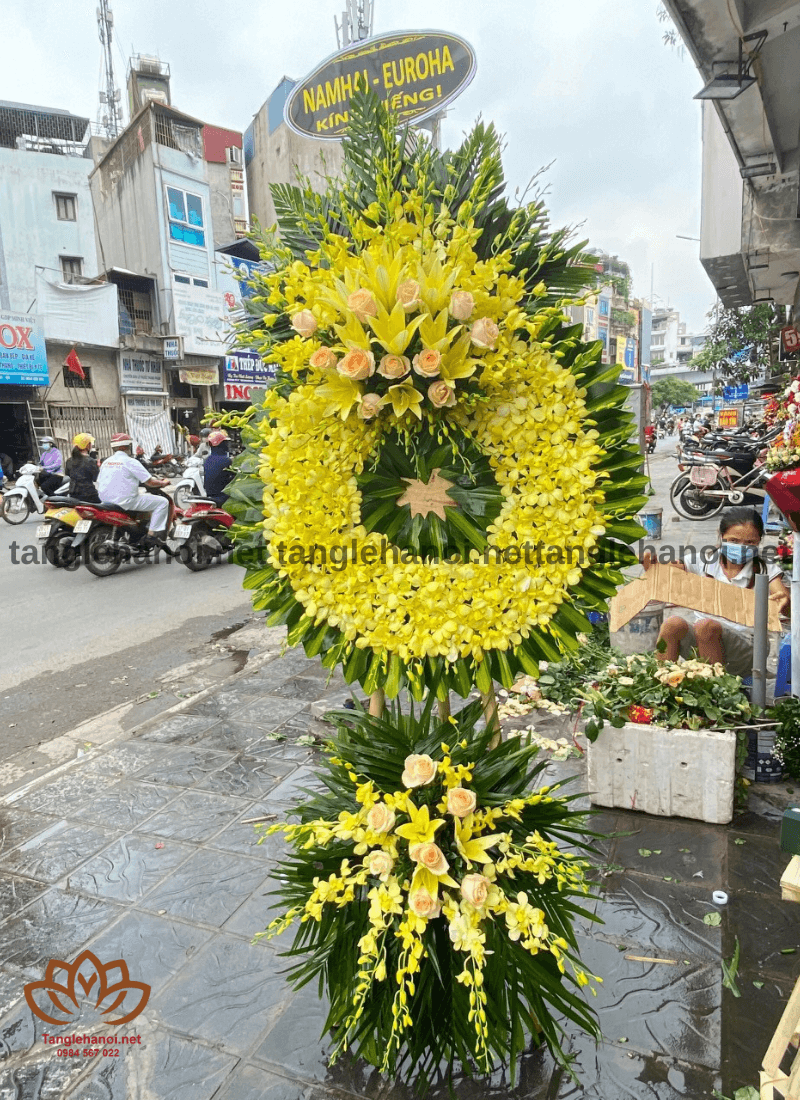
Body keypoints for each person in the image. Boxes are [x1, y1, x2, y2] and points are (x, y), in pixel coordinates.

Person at [646, 507, 790, 676]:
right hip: (702, 641)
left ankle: (715, 689)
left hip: (747, 650)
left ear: (759, 541)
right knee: (672, 624)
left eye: (750, 542)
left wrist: (783, 600)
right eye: (734, 541)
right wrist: (652, 565)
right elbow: (667, 571)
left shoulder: (766, 569)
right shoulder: (704, 562)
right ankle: (661, 684)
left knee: (706, 626)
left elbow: (781, 595)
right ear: (721, 536)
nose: (742, 547)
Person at [97, 433, 170, 548]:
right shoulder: (130, 461)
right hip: (125, 501)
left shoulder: (106, 462)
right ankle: (151, 536)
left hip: (105, 501)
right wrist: (163, 482)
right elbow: (150, 482)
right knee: (162, 502)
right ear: (124, 447)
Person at [65, 433, 100, 503]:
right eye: (90, 443)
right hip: (88, 493)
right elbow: (96, 478)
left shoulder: (69, 460)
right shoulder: (90, 461)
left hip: (73, 492)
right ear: (87, 445)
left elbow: (68, 474)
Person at [203, 430, 234, 507]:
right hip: (222, 497)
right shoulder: (226, 460)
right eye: (225, 443)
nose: (227, 445)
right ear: (221, 444)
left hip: (210, 496)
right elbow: (234, 479)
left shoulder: (207, 460)